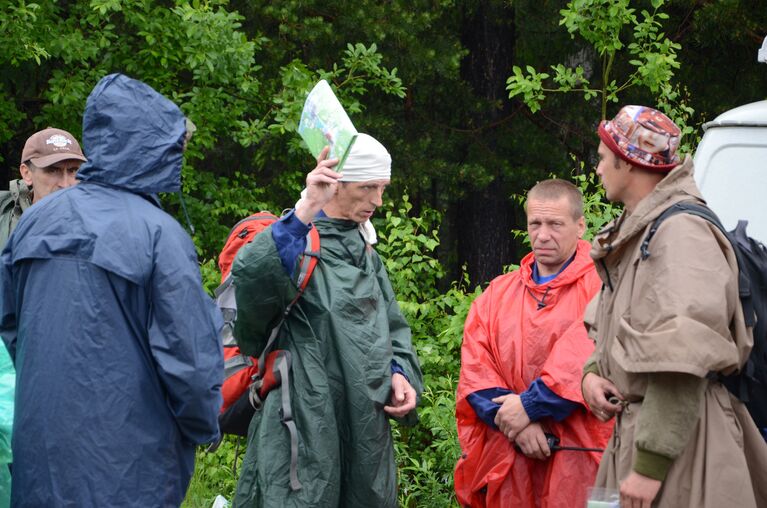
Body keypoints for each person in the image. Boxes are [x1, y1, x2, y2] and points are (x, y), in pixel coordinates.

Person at [0, 73, 224, 507]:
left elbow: (11, 328)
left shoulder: (32, 223)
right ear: (151, 149)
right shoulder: (161, 235)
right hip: (131, 469)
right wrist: (203, 428)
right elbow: (190, 361)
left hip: (41, 458)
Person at [582, 105, 767, 508]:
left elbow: (684, 355)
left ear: (628, 161)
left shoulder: (681, 234)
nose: (597, 168)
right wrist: (594, 375)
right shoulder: (641, 232)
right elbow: (614, 326)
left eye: (601, 157)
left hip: (684, 451)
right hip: (643, 438)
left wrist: (649, 467)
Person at [230, 135, 423, 507]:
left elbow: (394, 330)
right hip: (300, 422)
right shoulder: (294, 244)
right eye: (368, 187)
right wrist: (305, 209)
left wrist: (401, 374)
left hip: (365, 427)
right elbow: (250, 293)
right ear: (336, 185)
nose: (378, 201)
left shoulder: (367, 255)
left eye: (382, 188)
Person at [454, 179, 613, 508]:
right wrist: (518, 425)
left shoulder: (604, 285)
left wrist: (529, 408)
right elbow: (476, 372)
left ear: (580, 226)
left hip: (581, 458)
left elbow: (585, 358)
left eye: (555, 224)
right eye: (535, 224)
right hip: (512, 462)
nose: (542, 235)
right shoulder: (497, 294)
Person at [0, 127, 87, 249]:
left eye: (73, 170)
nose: (65, 184)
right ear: (27, 173)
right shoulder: (5, 223)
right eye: (53, 170)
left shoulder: (99, 224)